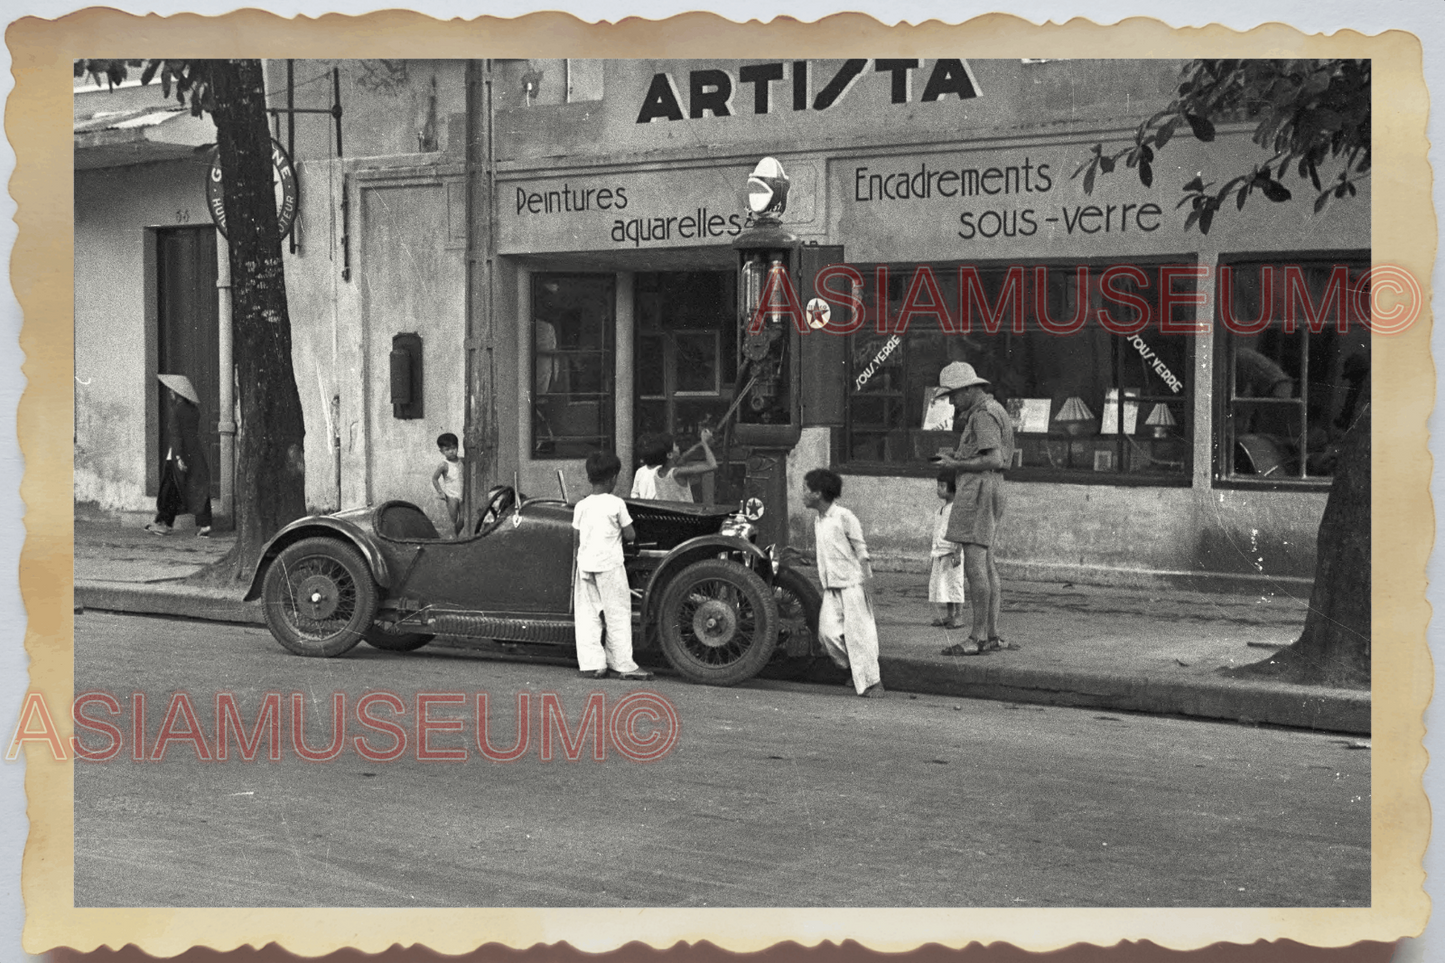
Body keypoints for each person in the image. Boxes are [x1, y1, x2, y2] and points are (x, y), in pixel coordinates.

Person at [933, 362, 1015, 655]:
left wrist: (956, 463)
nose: (952, 401)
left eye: (954, 394)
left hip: (979, 489)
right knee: (988, 564)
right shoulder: (994, 410)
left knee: (976, 566)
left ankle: (978, 637)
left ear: (969, 389)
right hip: (990, 487)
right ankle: (990, 634)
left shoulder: (982, 416)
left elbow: (993, 458)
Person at [801, 468, 884, 698]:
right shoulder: (819, 520)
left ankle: (873, 683)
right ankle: (853, 670)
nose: (803, 494)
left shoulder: (844, 516)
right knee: (827, 635)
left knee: (861, 636)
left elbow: (861, 548)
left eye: (806, 489)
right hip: (831, 587)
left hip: (853, 585)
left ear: (818, 493)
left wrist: (868, 580)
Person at [572, 451, 653, 681]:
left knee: (588, 615)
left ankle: (592, 664)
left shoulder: (581, 506)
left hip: (586, 565)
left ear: (590, 478)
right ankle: (623, 665)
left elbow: (577, 538)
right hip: (610, 565)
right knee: (617, 613)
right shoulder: (617, 504)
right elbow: (630, 534)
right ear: (612, 478)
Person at [145, 374, 212, 537]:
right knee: (198, 486)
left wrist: (178, 458)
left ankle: (163, 523)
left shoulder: (176, 411)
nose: (170, 393)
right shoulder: (194, 410)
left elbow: (176, 436)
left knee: (168, 489)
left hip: (177, 455)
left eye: (171, 391)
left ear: (177, 393)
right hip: (194, 453)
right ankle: (205, 524)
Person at [630, 428, 718, 502]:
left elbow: (683, 458)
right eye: (675, 446)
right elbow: (713, 465)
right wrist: (704, 443)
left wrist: (699, 445)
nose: (678, 448)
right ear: (669, 455)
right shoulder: (678, 472)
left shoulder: (658, 472)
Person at [928, 468, 967, 629]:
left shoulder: (957, 509)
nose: (938, 489)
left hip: (952, 552)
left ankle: (959, 616)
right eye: (938, 485)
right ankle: (950, 615)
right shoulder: (941, 510)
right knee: (944, 585)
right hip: (941, 551)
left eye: (942, 486)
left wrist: (958, 551)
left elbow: (961, 530)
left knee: (955, 584)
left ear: (952, 487)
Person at [431, 432, 465, 537]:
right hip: (451, 496)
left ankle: (458, 536)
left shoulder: (462, 461)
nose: (451, 451)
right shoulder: (444, 465)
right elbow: (434, 478)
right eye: (447, 449)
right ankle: (453, 537)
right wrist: (440, 492)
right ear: (442, 451)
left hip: (463, 494)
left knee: (463, 518)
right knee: (453, 519)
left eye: (454, 448)